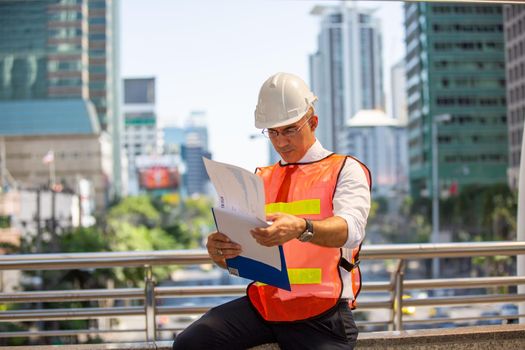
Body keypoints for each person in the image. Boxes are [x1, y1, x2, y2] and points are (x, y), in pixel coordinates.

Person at [173, 72, 371, 350]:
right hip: (265, 306)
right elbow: (246, 257)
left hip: (323, 314)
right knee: (190, 344)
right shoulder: (259, 178)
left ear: (312, 122)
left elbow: (351, 230)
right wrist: (221, 252)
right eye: (273, 132)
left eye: (290, 129)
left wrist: (303, 227)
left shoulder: (345, 169)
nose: (280, 141)